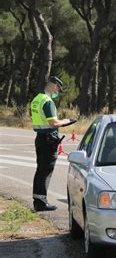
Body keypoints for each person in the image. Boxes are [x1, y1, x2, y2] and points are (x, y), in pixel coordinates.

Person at [30, 76, 76, 211]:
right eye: (57, 88)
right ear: (53, 85)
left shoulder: (36, 99)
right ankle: (41, 203)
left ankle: (38, 201)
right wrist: (67, 121)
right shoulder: (47, 101)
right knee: (46, 171)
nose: (58, 91)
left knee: (40, 170)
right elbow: (53, 123)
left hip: (40, 137)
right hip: (48, 139)